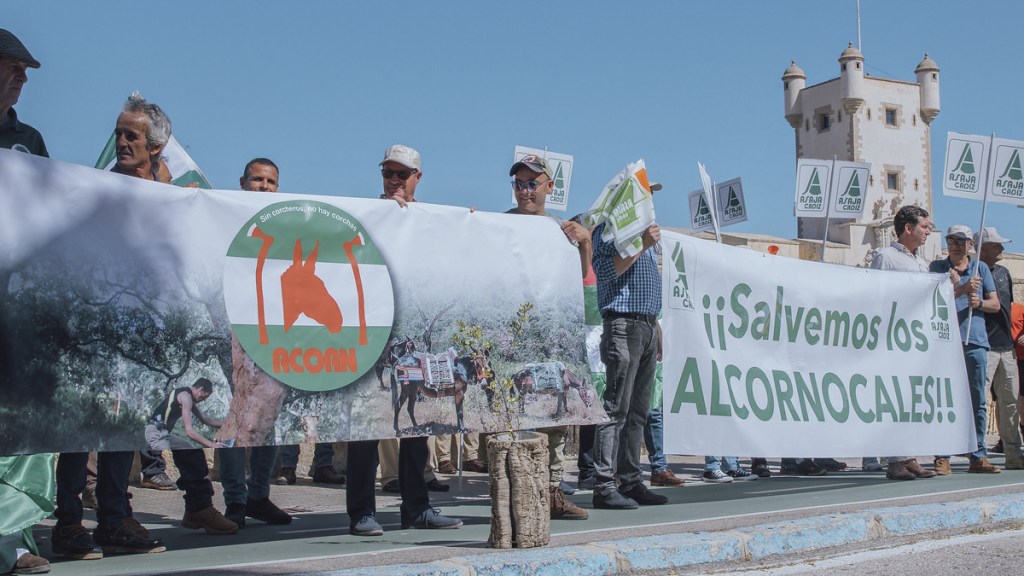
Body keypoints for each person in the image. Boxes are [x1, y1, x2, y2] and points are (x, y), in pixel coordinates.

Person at [345, 144, 462, 536]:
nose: (394, 181)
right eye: (388, 174)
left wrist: (473, 226)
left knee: (416, 425)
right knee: (367, 428)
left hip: (415, 341)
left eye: (402, 174)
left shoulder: (431, 221)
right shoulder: (364, 217)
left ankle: (417, 508)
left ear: (417, 178)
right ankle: (362, 512)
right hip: (371, 339)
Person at [504, 154, 591, 520]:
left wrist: (585, 242)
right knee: (512, 419)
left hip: (550, 341)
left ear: (549, 188)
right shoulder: (499, 224)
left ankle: (552, 492)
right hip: (511, 339)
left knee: (555, 417)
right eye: (519, 183)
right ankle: (515, 495)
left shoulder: (562, 230)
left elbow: (579, 277)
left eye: (532, 184)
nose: (525, 191)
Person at [0, 28, 53, 576]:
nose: (22, 77)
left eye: (25, 71)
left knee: (19, 425)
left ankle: (11, 542)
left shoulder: (29, 140)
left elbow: (52, 213)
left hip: (12, 308)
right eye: (12, 66)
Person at [217, 158, 292, 529]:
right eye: (257, 180)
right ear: (243, 181)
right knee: (235, 421)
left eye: (271, 181)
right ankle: (234, 500)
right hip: (235, 328)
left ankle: (258, 496)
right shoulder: (225, 215)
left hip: (275, 332)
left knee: (270, 419)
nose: (264, 186)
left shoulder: (289, 223)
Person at [590, 176, 667, 510]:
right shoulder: (608, 230)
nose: (649, 200)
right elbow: (606, 273)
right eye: (644, 194)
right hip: (623, 323)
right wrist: (643, 246)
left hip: (646, 324)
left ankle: (631, 479)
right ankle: (604, 484)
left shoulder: (645, 233)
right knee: (616, 407)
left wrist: (656, 325)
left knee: (639, 410)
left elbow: (646, 282)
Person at [862, 206, 939, 480]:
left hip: (916, 341)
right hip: (893, 338)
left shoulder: (922, 262)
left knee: (912, 399)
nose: (928, 231)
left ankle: (909, 457)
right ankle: (894, 461)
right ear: (908, 228)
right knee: (893, 399)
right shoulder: (886, 257)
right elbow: (876, 296)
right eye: (925, 226)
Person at [930, 224, 1001, 474]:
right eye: (951, 239)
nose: (955, 244)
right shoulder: (937, 268)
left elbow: (995, 304)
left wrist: (978, 301)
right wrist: (961, 289)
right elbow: (932, 303)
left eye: (961, 240)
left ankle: (978, 454)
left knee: (977, 401)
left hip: (975, 341)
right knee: (943, 399)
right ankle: (942, 455)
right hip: (946, 342)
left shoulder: (980, 268)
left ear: (970, 244)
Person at [144, 378, 238, 533]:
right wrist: (211, 444)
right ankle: (153, 472)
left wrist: (229, 425)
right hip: (156, 431)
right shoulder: (185, 396)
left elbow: (204, 420)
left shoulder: (189, 399)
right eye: (203, 397)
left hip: (165, 433)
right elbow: (189, 431)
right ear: (200, 389)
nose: (201, 400)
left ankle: (196, 510)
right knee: (167, 451)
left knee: (191, 450)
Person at [974, 227, 1022, 469]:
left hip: (1006, 346)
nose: (1002, 249)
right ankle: (978, 453)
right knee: (981, 400)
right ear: (982, 248)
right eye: (996, 245)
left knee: (1011, 399)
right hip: (985, 345)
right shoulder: (972, 274)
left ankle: (1014, 454)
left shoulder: (1003, 272)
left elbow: (1010, 306)